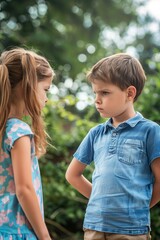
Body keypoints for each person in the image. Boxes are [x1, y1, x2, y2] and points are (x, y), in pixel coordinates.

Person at [65, 53, 160, 240]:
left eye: (105, 93)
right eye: (95, 93)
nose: (97, 100)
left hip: (131, 230)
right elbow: (72, 175)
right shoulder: (95, 133)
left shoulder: (151, 131)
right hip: (94, 226)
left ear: (129, 93)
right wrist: (102, 203)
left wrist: (138, 206)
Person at [0, 47, 55, 239]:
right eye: (45, 89)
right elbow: (24, 190)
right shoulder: (19, 131)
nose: (47, 98)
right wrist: (44, 236)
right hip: (17, 231)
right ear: (28, 86)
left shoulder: (3, 130)